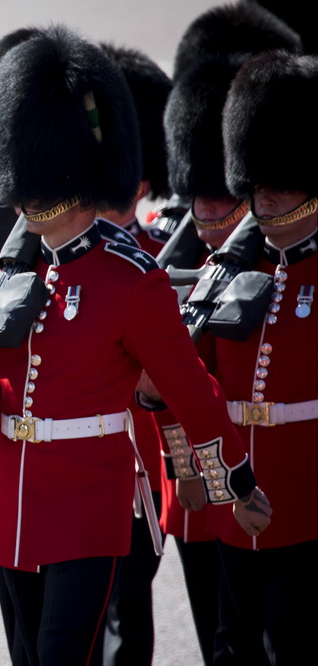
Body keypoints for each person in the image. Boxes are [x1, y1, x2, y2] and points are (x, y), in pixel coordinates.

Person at [0, 25, 271, 665]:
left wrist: (237, 481)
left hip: (88, 505)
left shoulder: (130, 280)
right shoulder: (11, 273)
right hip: (17, 508)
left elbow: (188, 388)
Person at [207, 47, 318, 665]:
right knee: (232, 647)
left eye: (281, 185)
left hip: (307, 496)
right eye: (258, 184)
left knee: (290, 645)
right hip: (235, 488)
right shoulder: (230, 272)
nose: (265, 198)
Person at [93, 42, 173, 666]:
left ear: (140, 186)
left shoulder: (156, 261)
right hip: (72, 468)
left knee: (128, 614)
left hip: (141, 465)